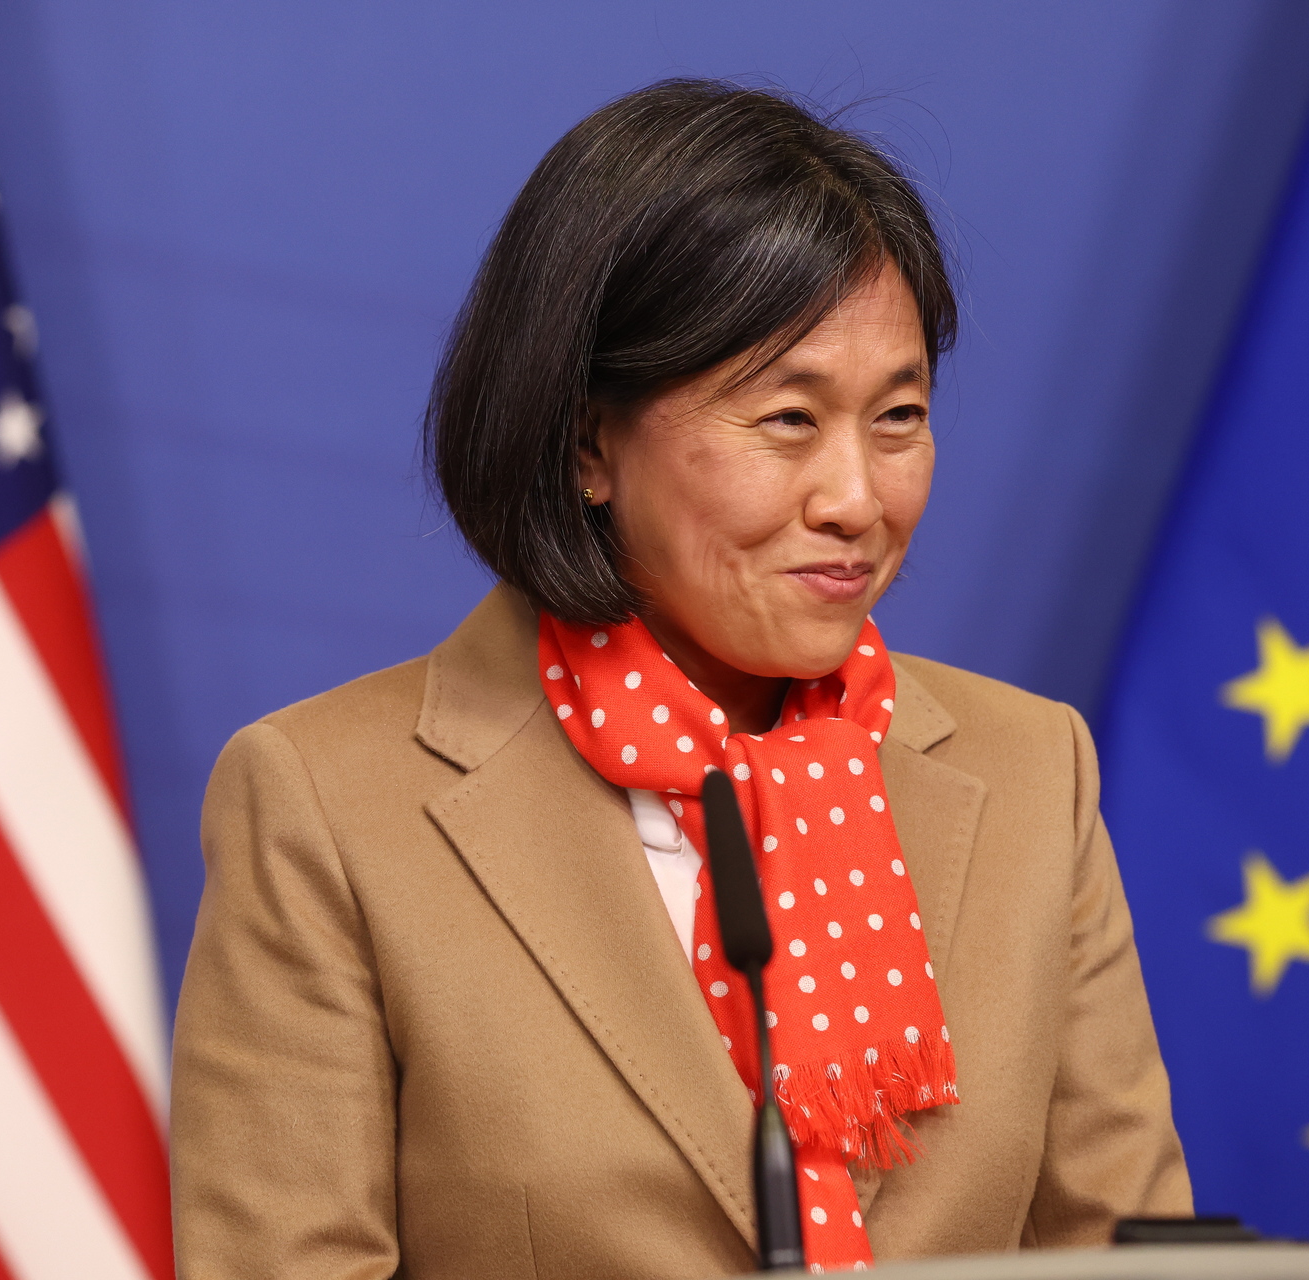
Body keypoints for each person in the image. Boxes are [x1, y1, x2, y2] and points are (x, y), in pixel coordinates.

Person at [171, 79, 1190, 1280]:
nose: (857, 498)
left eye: (899, 415)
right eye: (789, 418)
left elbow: (1133, 1253)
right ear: (588, 443)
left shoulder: (1032, 772)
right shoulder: (327, 805)